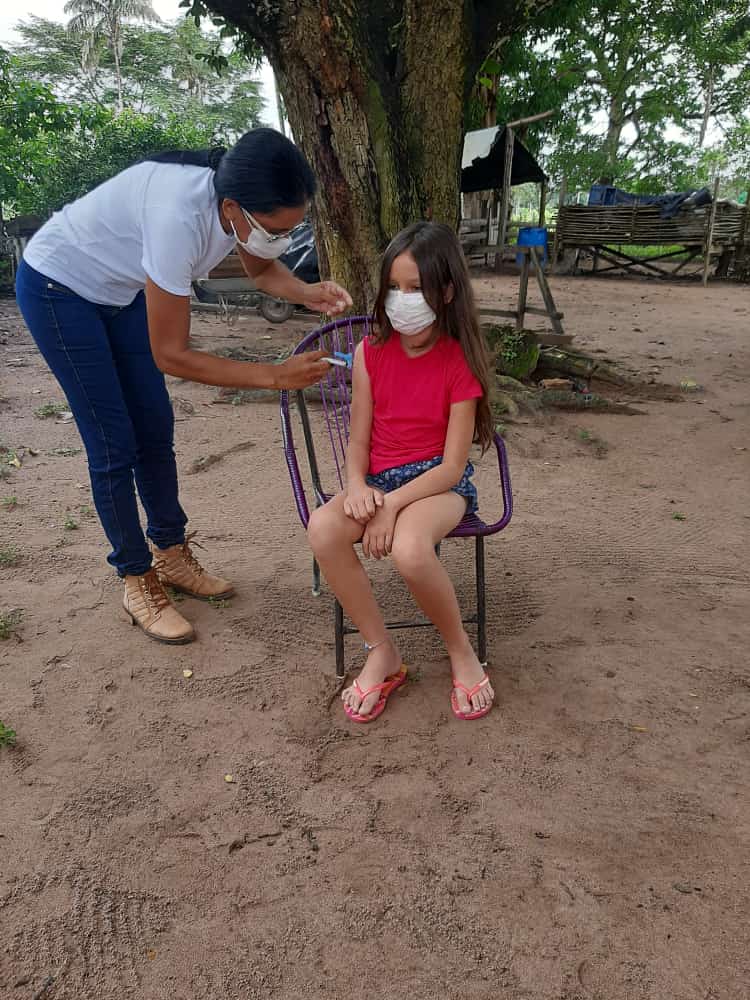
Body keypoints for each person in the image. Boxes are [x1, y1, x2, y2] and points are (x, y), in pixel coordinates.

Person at [15, 128, 352, 646]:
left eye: (291, 229)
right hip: (58, 288)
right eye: (275, 229)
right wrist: (275, 376)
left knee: (154, 425)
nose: (282, 239)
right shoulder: (176, 217)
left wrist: (306, 291)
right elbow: (172, 355)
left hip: (120, 290)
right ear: (233, 208)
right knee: (113, 440)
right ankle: (136, 577)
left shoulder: (236, 204)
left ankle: (170, 554)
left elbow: (263, 268)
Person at [307, 221, 495, 723]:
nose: (401, 299)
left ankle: (460, 651)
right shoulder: (369, 353)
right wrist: (356, 487)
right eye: (394, 286)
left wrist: (389, 506)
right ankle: (382, 650)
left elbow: (452, 467)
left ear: (446, 291)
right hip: (379, 481)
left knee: (411, 549)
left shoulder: (459, 362)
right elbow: (359, 440)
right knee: (323, 528)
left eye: (415, 288)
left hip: (438, 485)